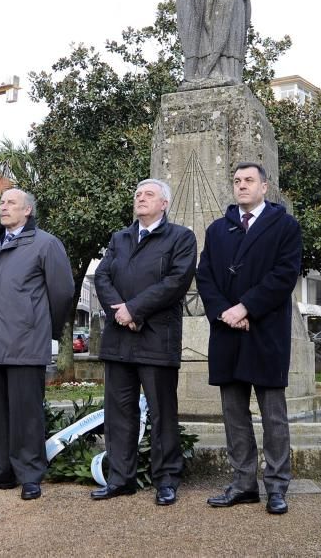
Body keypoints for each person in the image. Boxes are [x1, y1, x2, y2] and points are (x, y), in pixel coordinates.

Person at [196, 163, 302, 515]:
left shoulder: (284, 226)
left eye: (249, 181)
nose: (241, 186)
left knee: (273, 415)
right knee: (234, 414)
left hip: (265, 331)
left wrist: (245, 308)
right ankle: (243, 484)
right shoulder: (217, 229)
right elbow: (206, 276)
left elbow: (284, 275)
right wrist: (226, 312)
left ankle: (276, 486)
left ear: (264, 187)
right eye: (237, 180)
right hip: (227, 333)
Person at [93, 179, 197, 506]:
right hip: (119, 339)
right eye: (137, 194)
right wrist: (121, 313)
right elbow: (103, 277)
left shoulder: (181, 237)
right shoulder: (119, 238)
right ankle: (120, 479)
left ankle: (166, 479)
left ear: (164, 203)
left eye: (148, 194)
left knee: (162, 412)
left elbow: (176, 282)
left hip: (156, 339)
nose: (140, 198)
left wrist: (134, 310)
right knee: (119, 413)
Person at [0, 189, 73, 501]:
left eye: (11, 203)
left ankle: (30, 475)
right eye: (1, 202)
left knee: (27, 414)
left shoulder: (45, 244)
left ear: (27, 211)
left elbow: (63, 292)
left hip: (26, 342)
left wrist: (41, 327)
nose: (4, 207)